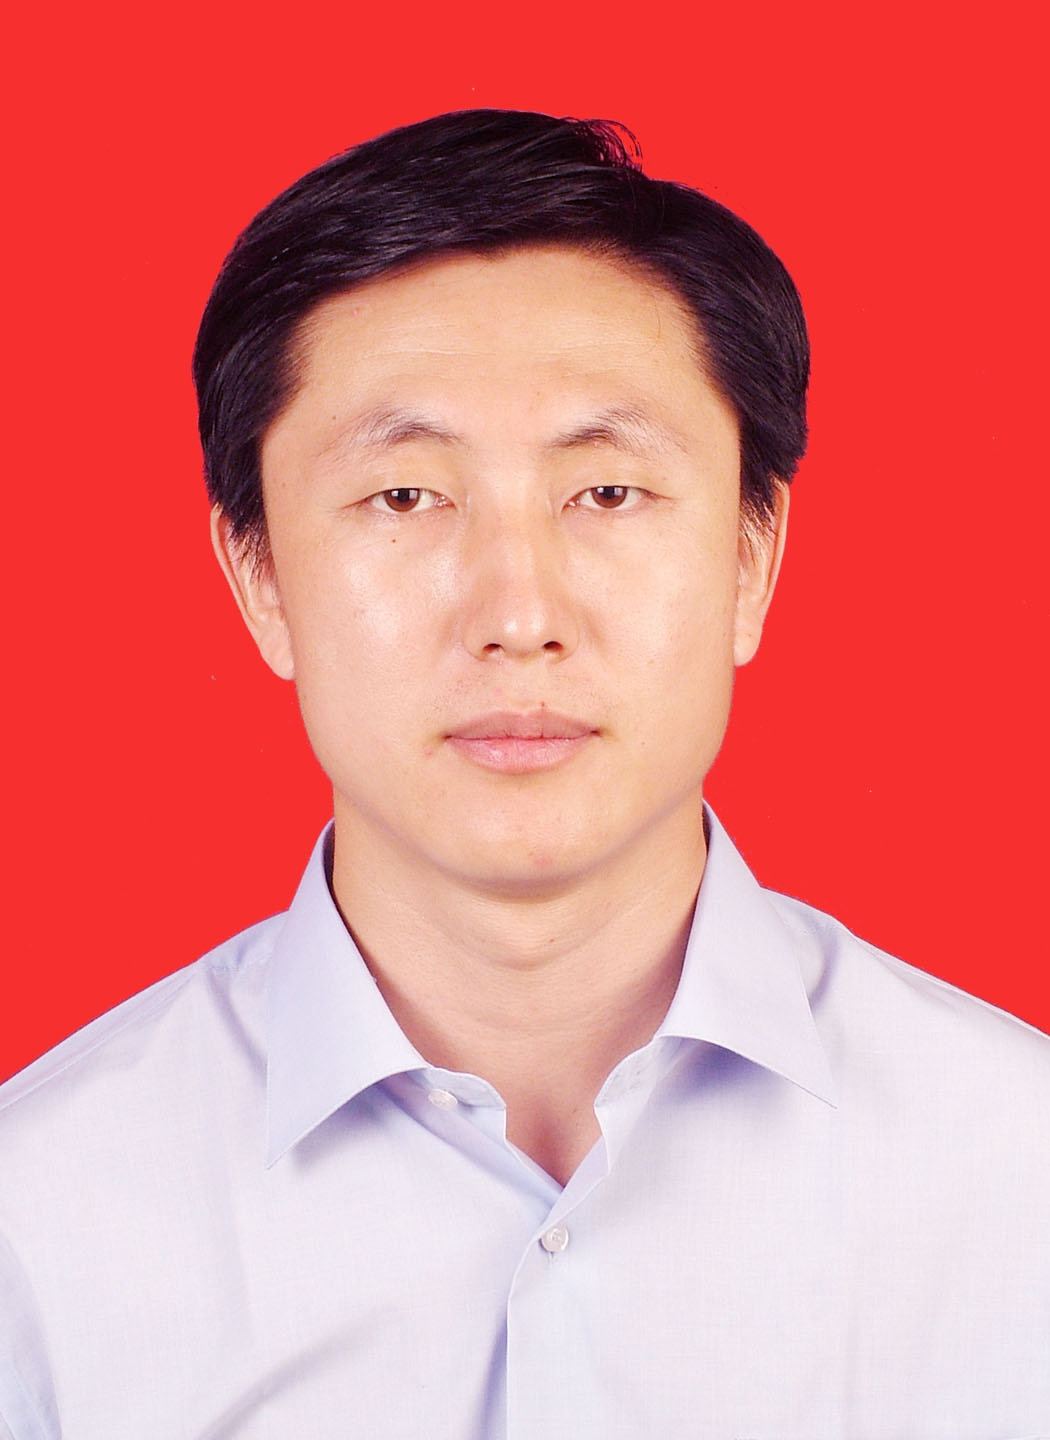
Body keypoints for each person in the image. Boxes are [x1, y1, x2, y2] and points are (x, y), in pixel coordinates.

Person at [1, 109, 1047, 1440]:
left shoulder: (1019, 1180)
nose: (517, 614)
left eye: (605, 494)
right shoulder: (38, 1231)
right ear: (258, 576)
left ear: (751, 558)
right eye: (405, 497)